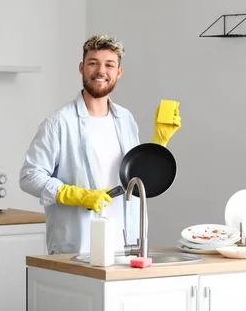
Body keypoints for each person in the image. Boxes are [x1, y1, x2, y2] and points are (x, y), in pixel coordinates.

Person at [19, 35, 181, 254]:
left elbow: (136, 178)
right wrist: (75, 194)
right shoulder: (59, 123)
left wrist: (159, 142)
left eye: (109, 65)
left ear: (118, 73)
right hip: (79, 247)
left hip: (126, 246)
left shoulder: (125, 119)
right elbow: (29, 177)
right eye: (93, 63)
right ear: (81, 68)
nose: (101, 71)